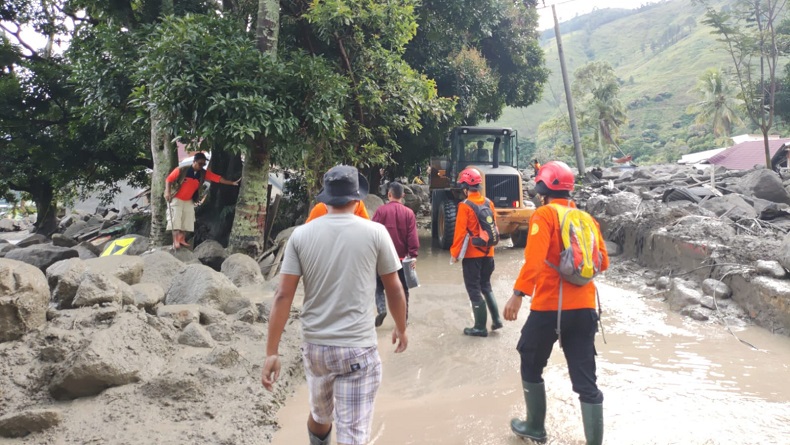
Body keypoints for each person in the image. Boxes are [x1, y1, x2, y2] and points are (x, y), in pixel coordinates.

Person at [261, 165, 408, 445]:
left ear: (325, 199)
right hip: (357, 350)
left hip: (316, 349)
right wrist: (401, 328)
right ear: (357, 200)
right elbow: (394, 288)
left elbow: (283, 296)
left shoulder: (301, 236)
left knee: (320, 415)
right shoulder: (376, 233)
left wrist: (271, 352)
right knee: (352, 434)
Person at [503, 160, 609, 445]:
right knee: (586, 380)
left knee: (530, 359)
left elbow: (535, 261)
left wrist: (518, 294)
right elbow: (604, 262)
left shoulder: (545, 215)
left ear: (542, 189)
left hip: (550, 308)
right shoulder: (587, 219)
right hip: (586, 307)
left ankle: (535, 428)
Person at [449, 168, 503, 337]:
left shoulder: (464, 206)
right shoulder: (489, 203)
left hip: (473, 256)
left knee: (473, 289)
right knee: (486, 285)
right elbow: (493, 227)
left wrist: (455, 254)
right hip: (489, 253)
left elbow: (459, 233)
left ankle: (480, 327)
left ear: (465, 187)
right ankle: (496, 320)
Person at [164, 152, 240, 250]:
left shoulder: (203, 173)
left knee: (187, 220)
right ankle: (175, 241)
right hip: (176, 198)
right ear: (194, 162)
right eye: (200, 163)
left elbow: (217, 178)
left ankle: (181, 239)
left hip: (189, 200)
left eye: (204, 164)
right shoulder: (182, 170)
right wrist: (167, 191)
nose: (202, 166)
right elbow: (168, 179)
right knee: (175, 220)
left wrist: (231, 182)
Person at [372, 182, 419, 327]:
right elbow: (412, 237)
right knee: (403, 290)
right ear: (403, 196)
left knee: (378, 285)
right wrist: (413, 255)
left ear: (389, 195)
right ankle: (402, 322)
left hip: (382, 260)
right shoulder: (409, 213)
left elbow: (372, 234)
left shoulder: (381, 211)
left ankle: (381, 309)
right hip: (401, 260)